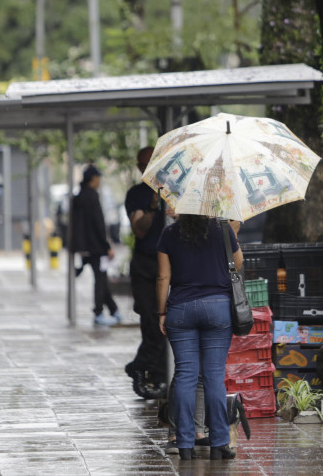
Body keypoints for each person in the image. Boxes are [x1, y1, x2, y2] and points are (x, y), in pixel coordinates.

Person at [157, 215, 242, 461]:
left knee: (185, 374)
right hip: (218, 308)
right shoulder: (223, 229)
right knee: (214, 375)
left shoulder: (169, 234)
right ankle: (219, 444)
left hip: (181, 310)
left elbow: (163, 278)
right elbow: (238, 263)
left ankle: (184, 445)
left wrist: (161, 312)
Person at [123, 146, 167, 399]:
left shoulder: (174, 190)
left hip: (169, 264)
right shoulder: (137, 195)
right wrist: (152, 208)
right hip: (145, 265)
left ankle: (148, 369)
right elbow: (138, 230)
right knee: (151, 322)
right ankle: (144, 368)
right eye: (143, 164)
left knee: (166, 324)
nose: (147, 168)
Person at [71, 165, 121, 326]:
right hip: (96, 246)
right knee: (100, 279)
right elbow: (99, 224)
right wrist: (107, 245)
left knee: (102, 278)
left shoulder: (79, 197)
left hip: (85, 246)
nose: (100, 181)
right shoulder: (92, 197)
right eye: (98, 178)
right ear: (93, 179)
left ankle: (113, 310)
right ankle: (99, 312)